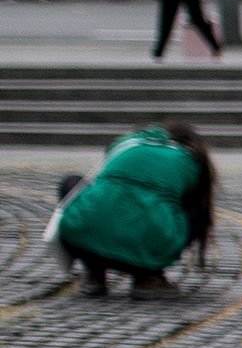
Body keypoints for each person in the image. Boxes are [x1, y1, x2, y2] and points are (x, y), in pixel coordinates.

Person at [51, 122, 217, 295]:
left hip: (83, 245)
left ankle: (94, 274)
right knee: (198, 206)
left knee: (72, 184)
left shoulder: (126, 143)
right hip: (144, 257)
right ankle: (149, 277)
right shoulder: (190, 159)